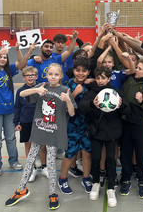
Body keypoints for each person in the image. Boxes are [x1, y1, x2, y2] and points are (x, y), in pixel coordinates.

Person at [5, 63, 76, 210]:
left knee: (50, 164)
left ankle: (52, 193)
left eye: (56, 75)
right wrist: (37, 90)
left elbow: (72, 113)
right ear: (46, 75)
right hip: (39, 131)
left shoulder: (65, 90)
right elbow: (21, 94)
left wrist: (68, 100)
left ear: (61, 76)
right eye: (50, 74)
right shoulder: (42, 87)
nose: (53, 77)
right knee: (30, 160)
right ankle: (21, 189)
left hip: (53, 133)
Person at [78, 66, 129, 208]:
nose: (100, 81)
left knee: (111, 159)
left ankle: (111, 187)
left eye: (103, 78)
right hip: (96, 132)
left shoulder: (116, 92)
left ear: (108, 78)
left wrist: (121, 105)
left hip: (112, 132)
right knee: (96, 158)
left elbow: (128, 109)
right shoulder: (91, 92)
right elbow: (81, 108)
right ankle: (96, 184)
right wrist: (91, 104)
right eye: (98, 78)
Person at [0, 44, 27, 176]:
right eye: (0, 57)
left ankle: (14, 161)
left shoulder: (9, 70)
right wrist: (0, 52)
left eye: (5, 57)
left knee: (11, 138)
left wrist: (17, 50)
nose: (3, 59)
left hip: (9, 110)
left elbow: (21, 64)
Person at [119, 57, 143, 199]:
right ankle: (126, 177)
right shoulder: (130, 78)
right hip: (125, 121)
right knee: (126, 152)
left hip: (139, 123)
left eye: (139, 68)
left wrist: (141, 102)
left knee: (141, 153)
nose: (136, 70)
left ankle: (142, 179)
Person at [58, 57, 93, 195]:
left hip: (86, 126)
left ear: (88, 72)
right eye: (78, 70)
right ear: (73, 71)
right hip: (71, 126)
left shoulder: (89, 84)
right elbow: (62, 107)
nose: (80, 73)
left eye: (84, 71)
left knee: (87, 152)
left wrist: (89, 81)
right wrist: (74, 93)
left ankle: (86, 178)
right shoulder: (67, 85)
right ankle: (62, 179)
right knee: (70, 154)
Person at [13, 66, 39, 182]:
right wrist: (16, 122)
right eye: (28, 75)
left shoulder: (40, 89)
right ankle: (31, 168)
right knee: (28, 144)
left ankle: (43, 165)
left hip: (39, 122)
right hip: (25, 121)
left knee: (40, 145)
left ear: (36, 77)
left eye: (32, 75)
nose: (30, 77)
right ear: (23, 78)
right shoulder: (20, 91)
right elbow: (17, 107)